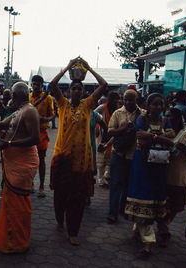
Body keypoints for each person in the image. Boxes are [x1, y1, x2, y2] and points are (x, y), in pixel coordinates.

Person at [49, 57, 108, 246]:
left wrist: (88, 68)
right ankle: (60, 221)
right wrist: (67, 67)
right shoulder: (62, 105)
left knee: (78, 198)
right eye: (73, 88)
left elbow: (104, 84)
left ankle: (73, 231)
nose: (76, 91)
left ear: (83, 92)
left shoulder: (88, 105)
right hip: (62, 159)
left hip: (81, 162)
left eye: (79, 89)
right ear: (68, 91)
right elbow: (52, 84)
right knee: (60, 195)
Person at [0, 82, 39, 253]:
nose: (8, 100)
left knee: (19, 204)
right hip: (15, 162)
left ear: (16, 97)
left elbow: (35, 138)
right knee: (11, 204)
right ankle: (10, 237)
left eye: (11, 96)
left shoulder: (30, 111)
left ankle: (18, 241)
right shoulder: (19, 111)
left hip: (24, 164)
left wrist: (9, 143)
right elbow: (2, 125)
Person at [124, 93, 175, 257]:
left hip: (159, 166)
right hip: (143, 166)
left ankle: (139, 231)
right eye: (155, 104)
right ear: (148, 104)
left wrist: (152, 136)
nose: (159, 107)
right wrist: (161, 137)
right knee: (143, 195)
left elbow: (171, 140)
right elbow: (141, 139)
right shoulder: (141, 119)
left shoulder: (165, 121)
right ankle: (148, 243)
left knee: (154, 196)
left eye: (161, 104)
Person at [156, 108, 186, 247]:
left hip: (178, 176)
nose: (167, 119)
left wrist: (185, 150)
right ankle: (163, 229)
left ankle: (164, 226)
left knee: (175, 206)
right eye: (165, 116)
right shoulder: (164, 133)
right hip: (163, 175)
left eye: (170, 116)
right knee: (161, 205)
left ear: (178, 118)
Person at [107, 90, 143, 223]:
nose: (127, 102)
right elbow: (110, 131)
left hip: (135, 155)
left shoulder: (142, 114)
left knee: (128, 184)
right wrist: (123, 129)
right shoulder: (118, 113)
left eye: (131, 100)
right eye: (125, 99)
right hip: (119, 153)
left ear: (136, 100)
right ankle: (113, 212)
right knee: (115, 183)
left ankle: (124, 209)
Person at [29, 75, 55, 197]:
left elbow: (53, 115)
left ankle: (41, 186)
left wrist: (46, 119)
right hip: (29, 132)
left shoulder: (48, 98)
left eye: (38, 84)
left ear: (41, 85)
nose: (35, 86)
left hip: (42, 132)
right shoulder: (28, 97)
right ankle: (31, 183)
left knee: (41, 159)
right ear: (31, 84)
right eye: (34, 84)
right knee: (30, 159)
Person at [95, 91, 120, 187]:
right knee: (101, 154)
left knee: (110, 155)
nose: (117, 101)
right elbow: (93, 114)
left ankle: (107, 175)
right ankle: (100, 178)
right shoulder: (103, 107)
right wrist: (97, 126)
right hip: (103, 134)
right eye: (115, 99)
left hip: (113, 134)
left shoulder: (117, 109)